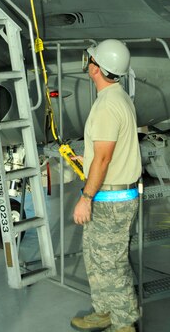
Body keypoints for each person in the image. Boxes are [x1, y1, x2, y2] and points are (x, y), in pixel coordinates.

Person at [71, 39, 142, 332]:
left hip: (110, 199)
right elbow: (104, 154)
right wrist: (86, 160)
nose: (88, 62)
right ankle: (104, 311)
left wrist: (85, 197)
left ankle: (124, 324)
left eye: (91, 58)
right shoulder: (117, 97)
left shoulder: (106, 107)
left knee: (111, 264)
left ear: (96, 68)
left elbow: (104, 159)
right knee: (97, 258)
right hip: (113, 193)